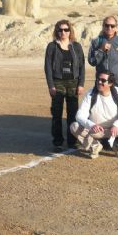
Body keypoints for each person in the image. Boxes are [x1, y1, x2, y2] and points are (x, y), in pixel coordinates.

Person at [70, 71, 118, 159]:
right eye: (98, 79)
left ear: (110, 83)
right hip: (96, 131)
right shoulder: (91, 93)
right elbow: (79, 115)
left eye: (103, 80)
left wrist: (117, 125)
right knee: (74, 126)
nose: (99, 82)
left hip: (115, 130)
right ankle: (94, 146)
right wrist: (91, 125)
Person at [44, 19, 85, 151]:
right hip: (58, 82)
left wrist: (81, 84)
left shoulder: (76, 46)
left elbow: (82, 66)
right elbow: (48, 67)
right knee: (56, 113)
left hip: (73, 82)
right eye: (60, 30)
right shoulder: (52, 46)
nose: (63, 32)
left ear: (70, 31)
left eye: (66, 30)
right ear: (57, 31)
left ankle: (72, 141)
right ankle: (58, 142)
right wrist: (51, 85)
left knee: (73, 113)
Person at [88, 16, 118, 91]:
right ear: (103, 26)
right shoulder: (96, 41)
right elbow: (92, 61)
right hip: (101, 82)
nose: (109, 28)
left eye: (112, 26)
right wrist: (101, 50)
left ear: (116, 27)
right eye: (107, 25)